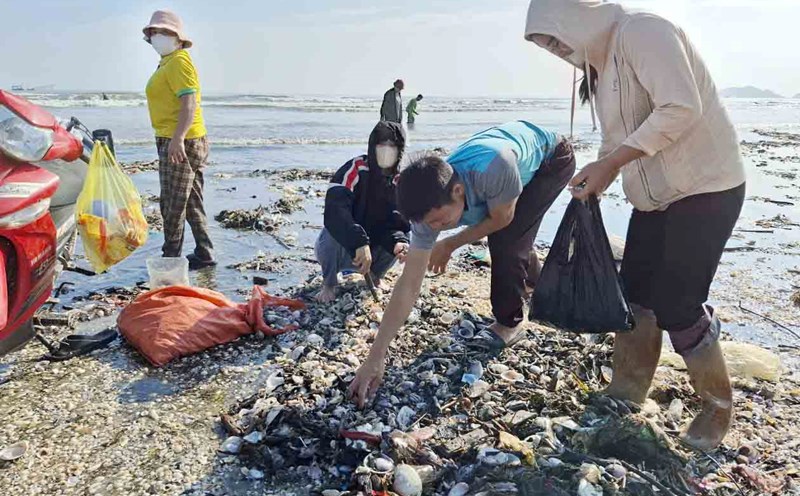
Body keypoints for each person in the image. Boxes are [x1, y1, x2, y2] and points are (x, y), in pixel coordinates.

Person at [525, 0, 746, 451]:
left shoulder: (643, 31)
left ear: (574, 15)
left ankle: (716, 406)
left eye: (552, 37)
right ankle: (627, 389)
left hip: (706, 186)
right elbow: (616, 137)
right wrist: (598, 176)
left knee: (678, 302)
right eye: (544, 45)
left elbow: (680, 107)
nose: (554, 50)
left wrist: (611, 165)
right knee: (635, 293)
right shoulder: (600, 67)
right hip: (655, 198)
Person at [348, 121, 575, 407]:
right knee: (515, 236)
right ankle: (536, 280)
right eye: (430, 225)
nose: (435, 228)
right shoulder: (427, 213)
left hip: (552, 159)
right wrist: (375, 356)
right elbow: (408, 284)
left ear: (457, 190)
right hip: (505, 172)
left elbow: (502, 218)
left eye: (440, 221)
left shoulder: (493, 170)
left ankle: (510, 323)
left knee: (506, 237)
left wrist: (450, 244)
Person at [143, 10, 215, 270]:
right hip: (180, 138)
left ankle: (170, 259)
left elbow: (189, 103)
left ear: (177, 36)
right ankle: (205, 253)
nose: (157, 36)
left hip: (181, 140)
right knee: (192, 201)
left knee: (172, 203)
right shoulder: (168, 61)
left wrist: (178, 139)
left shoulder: (179, 62)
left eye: (163, 31)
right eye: (153, 32)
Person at [315, 121, 410, 303]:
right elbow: (335, 210)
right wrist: (358, 242)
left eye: (392, 146)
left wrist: (398, 241)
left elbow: (397, 222)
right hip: (345, 247)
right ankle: (329, 284)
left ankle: (376, 276)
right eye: (381, 145)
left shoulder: (401, 181)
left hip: (375, 249)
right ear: (373, 146)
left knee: (405, 239)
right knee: (331, 232)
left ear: (400, 150)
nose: (386, 151)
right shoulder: (356, 168)